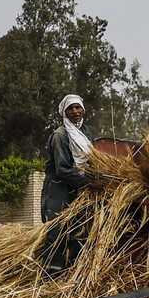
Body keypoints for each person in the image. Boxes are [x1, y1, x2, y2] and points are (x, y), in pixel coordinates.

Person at [38, 94, 92, 276]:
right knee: (57, 232)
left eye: (78, 107)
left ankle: (71, 274)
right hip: (58, 190)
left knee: (78, 230)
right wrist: (90, 181)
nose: (76, 112)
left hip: (75, 190)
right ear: (64, 112)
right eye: (71, 108)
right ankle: (50, 277)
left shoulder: (85, 134)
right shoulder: (60, 136)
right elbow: (63, 169)